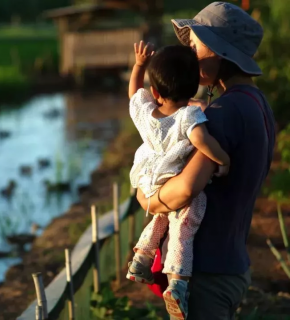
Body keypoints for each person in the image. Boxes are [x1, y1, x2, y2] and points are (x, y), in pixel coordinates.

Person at [136, 2, 275, 320]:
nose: (190, 55)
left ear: (218, 52)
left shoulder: (223, 114)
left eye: (195, 46)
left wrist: (148, 199)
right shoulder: (258, 104)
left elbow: (185, 190)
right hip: (232, 262)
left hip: (205, 273)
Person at [126, 41, 230, 319]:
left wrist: (139, 65)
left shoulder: (145, 112)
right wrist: (223, 159)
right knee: (185, 224)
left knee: (160, 219)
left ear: (155, 92)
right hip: (173, 177)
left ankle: (141, 258)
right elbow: (200, 139)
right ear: (195, 84)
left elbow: (133, 92)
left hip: (148, 180)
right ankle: (178, 283)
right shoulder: (188, 116)